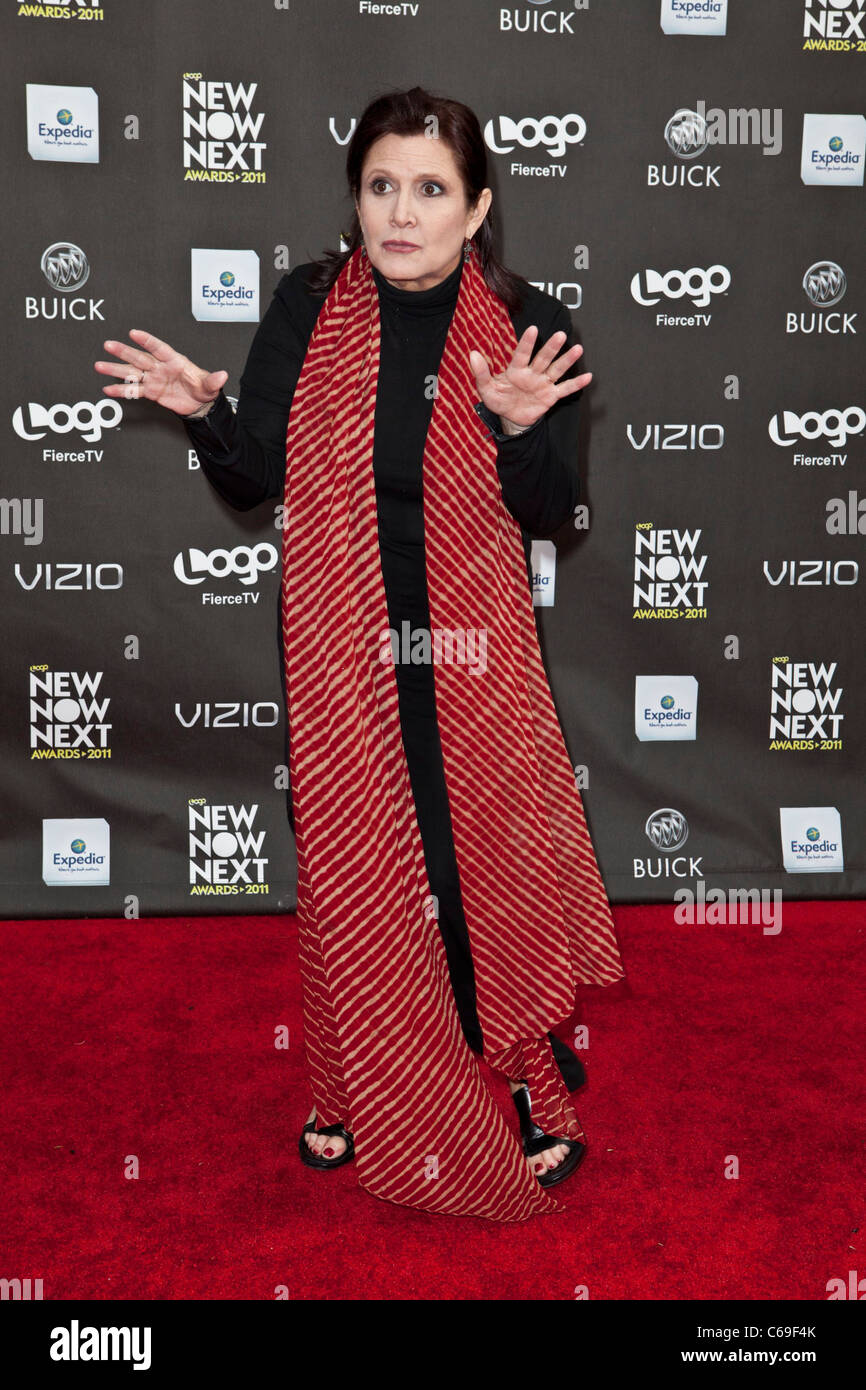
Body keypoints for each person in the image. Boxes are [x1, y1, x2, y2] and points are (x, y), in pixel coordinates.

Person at [94, 86, 626, 1224]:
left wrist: (524, 429)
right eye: (380, 185)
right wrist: (204, 411)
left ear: (475, 205)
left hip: (468, 660)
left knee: (469, 865)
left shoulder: (529, 322)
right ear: (356, 197)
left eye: (430, 189)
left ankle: (524, 1082)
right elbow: (253, 481)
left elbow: (550, 516)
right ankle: (347, 1078)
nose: (401, 211)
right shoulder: (305, 304)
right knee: (348, 865)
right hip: (342, 654)